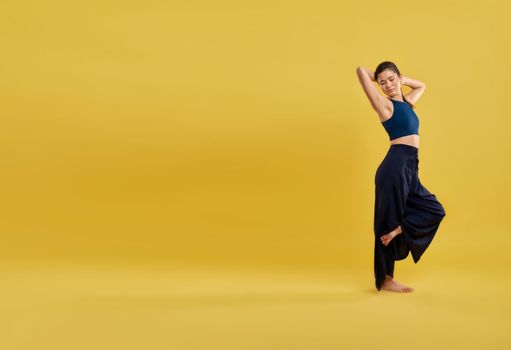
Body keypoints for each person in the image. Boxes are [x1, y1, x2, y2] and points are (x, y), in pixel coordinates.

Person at [356, 61, 446, 293]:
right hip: (395, 167)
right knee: (385, 220)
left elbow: (421, 86)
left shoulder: (406, 102)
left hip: (409, 167)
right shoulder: (384, 106)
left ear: (399, 77)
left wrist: (402, 81)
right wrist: (377, 78)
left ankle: (398, 230)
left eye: (391, 80)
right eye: (383, 82)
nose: (387, 85)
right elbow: (360, 71)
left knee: (434, 209)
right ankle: (385, 279)